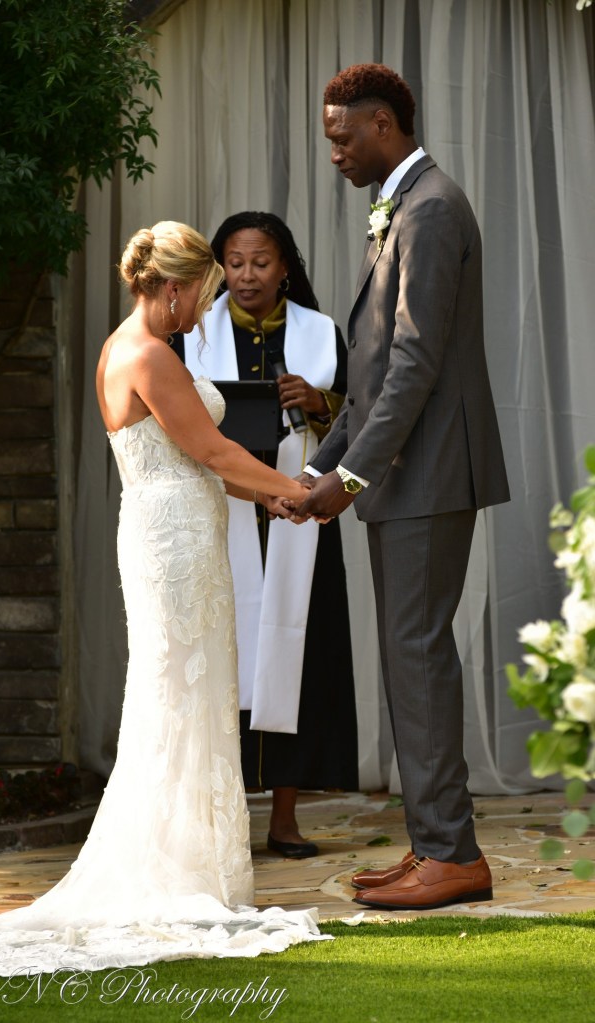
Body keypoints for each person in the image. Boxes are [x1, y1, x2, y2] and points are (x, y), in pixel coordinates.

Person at [0, 222, 324, 979]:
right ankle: (174, 872)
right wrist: (298, 490)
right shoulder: (150, 355)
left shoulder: (119, 347)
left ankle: (188, 860)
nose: (204, 310)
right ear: (171, 288)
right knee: (180, 696)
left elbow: (197, 461)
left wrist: (269, 498)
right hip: (176, 546)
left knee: (181, 695)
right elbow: (211, 450)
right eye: (200, 295)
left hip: (169, 530)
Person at [296, 64, 510, 910]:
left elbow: (416, 364)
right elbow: (374, 369)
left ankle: (452, 856)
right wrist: (319, 466)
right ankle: (433, 843)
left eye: (342, 137)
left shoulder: (429, 208)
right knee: (407, 656)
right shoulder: (402, 207)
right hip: (405, 471)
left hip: (428, 470)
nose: (336, 154)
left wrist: (350, 474)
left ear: (382, 123)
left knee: (417, 657)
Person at [179, 212, 358, 859]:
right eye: (234, 263)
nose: (246, 275)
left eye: (260, 262)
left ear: (285, 268)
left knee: (302, 657)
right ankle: (218, 822)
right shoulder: (194, 334)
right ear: (219, 267)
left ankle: (284, 819)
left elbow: (362, 416)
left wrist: (319, 402)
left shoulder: (320, 333)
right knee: (219, 657)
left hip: (300, 520)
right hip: (223, 515)